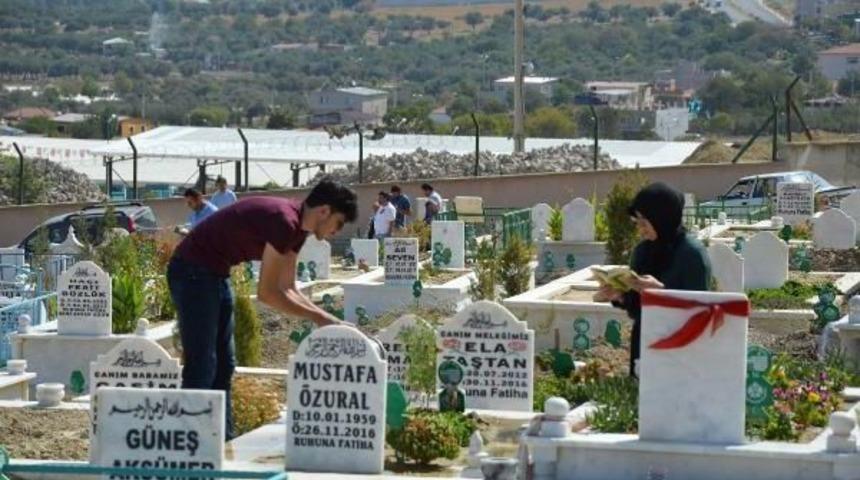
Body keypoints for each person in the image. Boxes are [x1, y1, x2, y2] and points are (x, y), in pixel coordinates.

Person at [167, 178, 358, 440]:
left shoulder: (298, 230)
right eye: (339, 222)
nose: (337, 231)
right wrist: (321, 318)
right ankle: (190, 446)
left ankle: (221, 442)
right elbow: (268, 293)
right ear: (324, 211)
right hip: (191, 271)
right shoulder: (284, 222)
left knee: (224, 365)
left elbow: (288, 287)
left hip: (214, 274)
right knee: (202, 364)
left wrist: (327, 319)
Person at [594, 182, 711, 378]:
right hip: (645, 342)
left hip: (681, 347)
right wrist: (620, 296)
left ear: (662, 219)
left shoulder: (692, 254)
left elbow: (701, 310)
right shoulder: (643, 251)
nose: (640, 229)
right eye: (637, 222)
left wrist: (662, 292)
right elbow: (636, 308)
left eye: (644, 222)